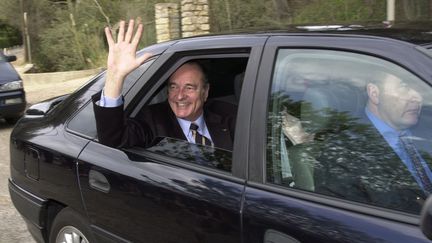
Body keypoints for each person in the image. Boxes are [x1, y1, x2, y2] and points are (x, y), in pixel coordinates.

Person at [93, 19, 235, 150]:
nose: (179, 96)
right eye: (173, 87)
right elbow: (113, 139)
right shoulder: (153, 121)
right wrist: (114, 76)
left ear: (205, 92)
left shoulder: (228, 115)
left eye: (189, 87)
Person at [365, 72, 432, 195]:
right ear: (374, 94)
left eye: (419, 87)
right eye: (404, 86)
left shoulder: (428, 126)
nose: (418, 97)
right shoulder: (346, 146)